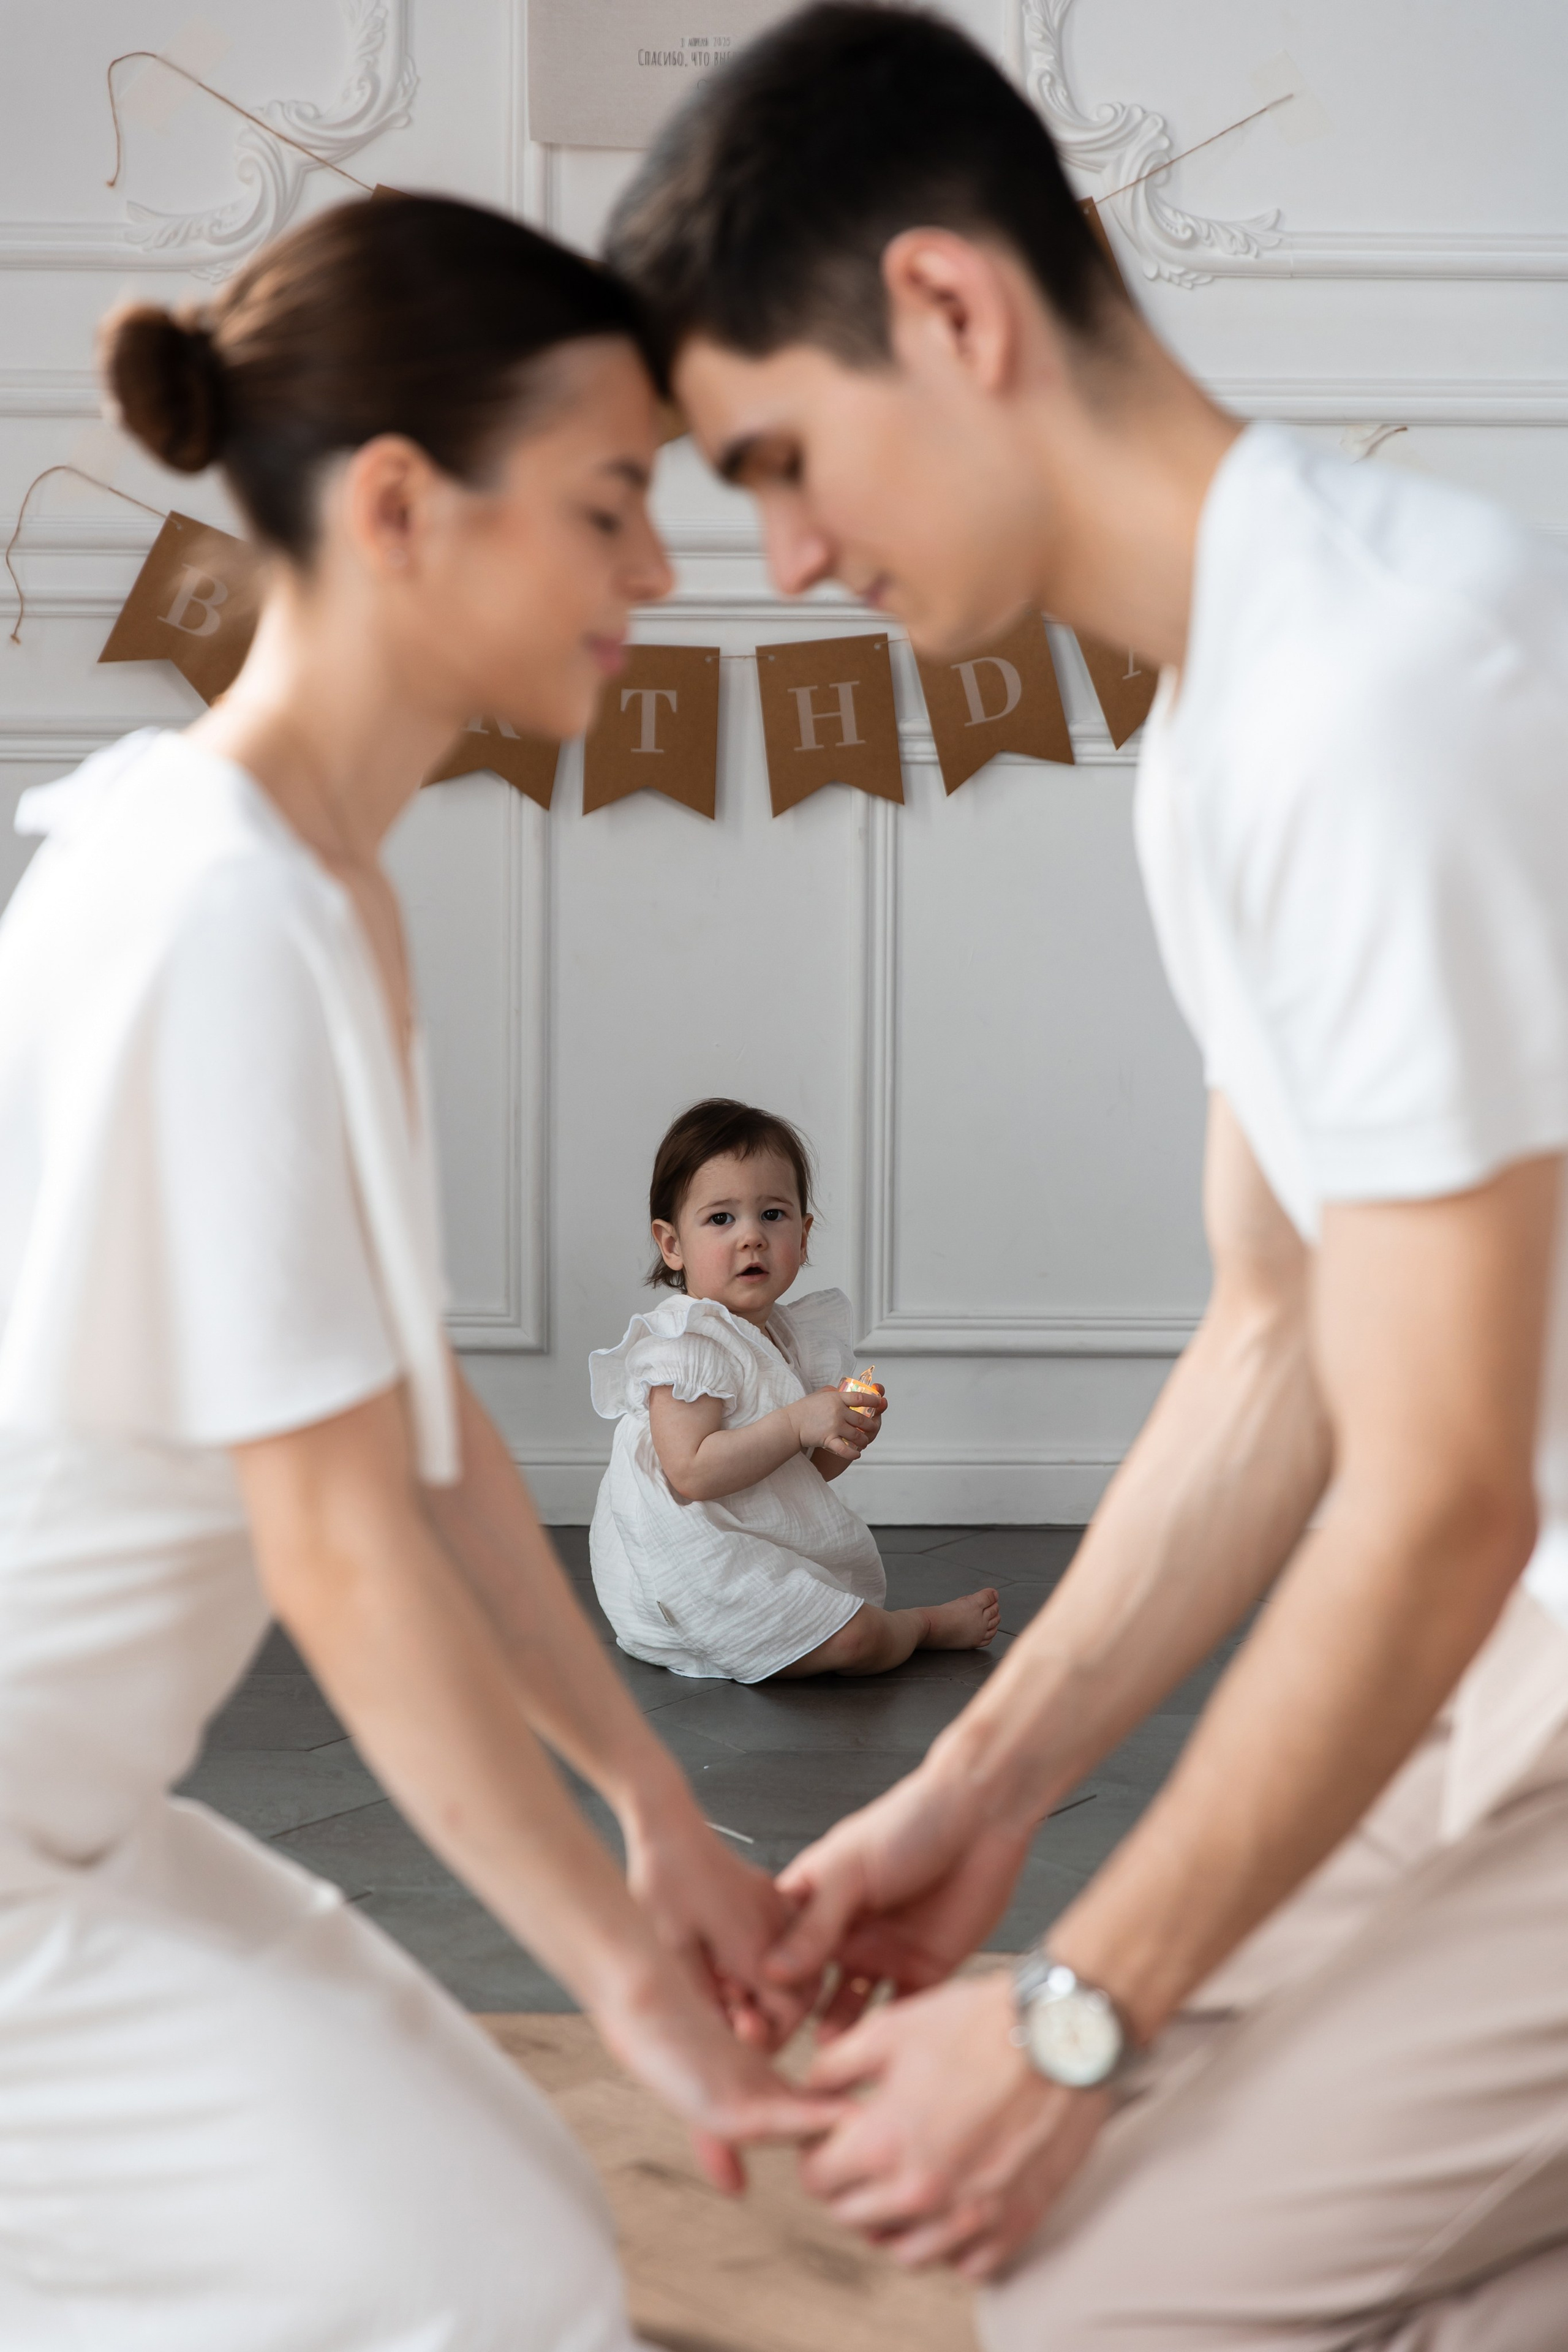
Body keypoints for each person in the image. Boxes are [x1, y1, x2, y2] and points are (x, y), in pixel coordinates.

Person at [606, 6, 1568, 2342]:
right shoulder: (1226, 722)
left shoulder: (1388, 689)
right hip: (1525, 1652)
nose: (787, 553)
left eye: (779, 457)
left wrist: (1071, 2016)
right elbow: (1275, 1337)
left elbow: (1431, 1488)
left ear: (948, 309)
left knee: (1100, 2288)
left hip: (1509, 1611)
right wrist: (982, 1794)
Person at [0, 193, 838, 2351]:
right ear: (399, 506)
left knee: (494, 2240)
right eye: (608, 505)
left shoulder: (314, 893)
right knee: (485, 2279)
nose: (661, 571)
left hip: (70, 1820)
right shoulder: (215, 908)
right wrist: (620, 1972)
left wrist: (650, 1813)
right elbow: (340, 1547)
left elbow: (416, 1415)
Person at [589, 1096, 1000, 1679]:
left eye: (773, 1215)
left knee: (835, 1620)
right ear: (672, 1244)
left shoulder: (788, 1337)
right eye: (721, 1219)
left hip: (746, 1543)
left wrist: (836, 1434)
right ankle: (921, 1627)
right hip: (683, 1571)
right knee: (855, 1640)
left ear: (804, 1237)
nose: (751, 1237)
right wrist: (797, 1421)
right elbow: (693, 1473)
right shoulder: (689, 1345)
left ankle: (834, 1627)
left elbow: (795, 1475)